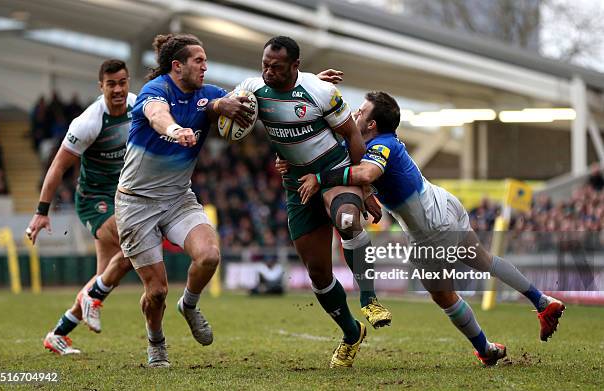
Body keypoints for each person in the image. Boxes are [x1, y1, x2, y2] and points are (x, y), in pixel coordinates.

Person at [296, 91, 566, 366]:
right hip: (441, 205)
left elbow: (366, 174)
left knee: (442, 293)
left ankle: (486, 348)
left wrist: (319, 178)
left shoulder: (381, 146)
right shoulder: (367, 144)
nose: (355, 114)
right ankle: (542, 302)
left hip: (432, 228)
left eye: (362, 112)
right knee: (484, 261)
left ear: (372, 124)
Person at [235, 36, 392, 368]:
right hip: (297, 188)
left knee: (348, 221)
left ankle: (369, 298)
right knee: (318, 273)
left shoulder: (322, 93)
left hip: (334, 173)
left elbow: (352, 136)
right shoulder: (253, 91)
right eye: (265, 64)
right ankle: (351, 333)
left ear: (295, 66)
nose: (268, 72)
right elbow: (232, 108)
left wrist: (364, 189)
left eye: (276, 67)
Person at [114, 33, 257, 368]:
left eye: (206, 61)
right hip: (136, 203)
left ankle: (189, 305)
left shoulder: (209, 95)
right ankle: (156, 342)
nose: (205, 67)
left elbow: (243, 99)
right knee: (157, 291)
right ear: (177, 66)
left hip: (178, 198)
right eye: (199, 61)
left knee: (209, 256)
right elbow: (156, 115)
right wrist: (176, 130)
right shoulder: (156, 90)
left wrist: (304, 85)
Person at [26, 59, 135, 355]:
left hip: (123, 198)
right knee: (136, 246)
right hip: (94, 201)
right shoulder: (88, 122)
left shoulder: (138, 108)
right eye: (111, 84)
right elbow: (57, 167)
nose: (117, 89)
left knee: (104, 278)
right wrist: (41, 211)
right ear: (100, 86)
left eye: (122, 82)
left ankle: (58, 334)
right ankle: (92, 299)